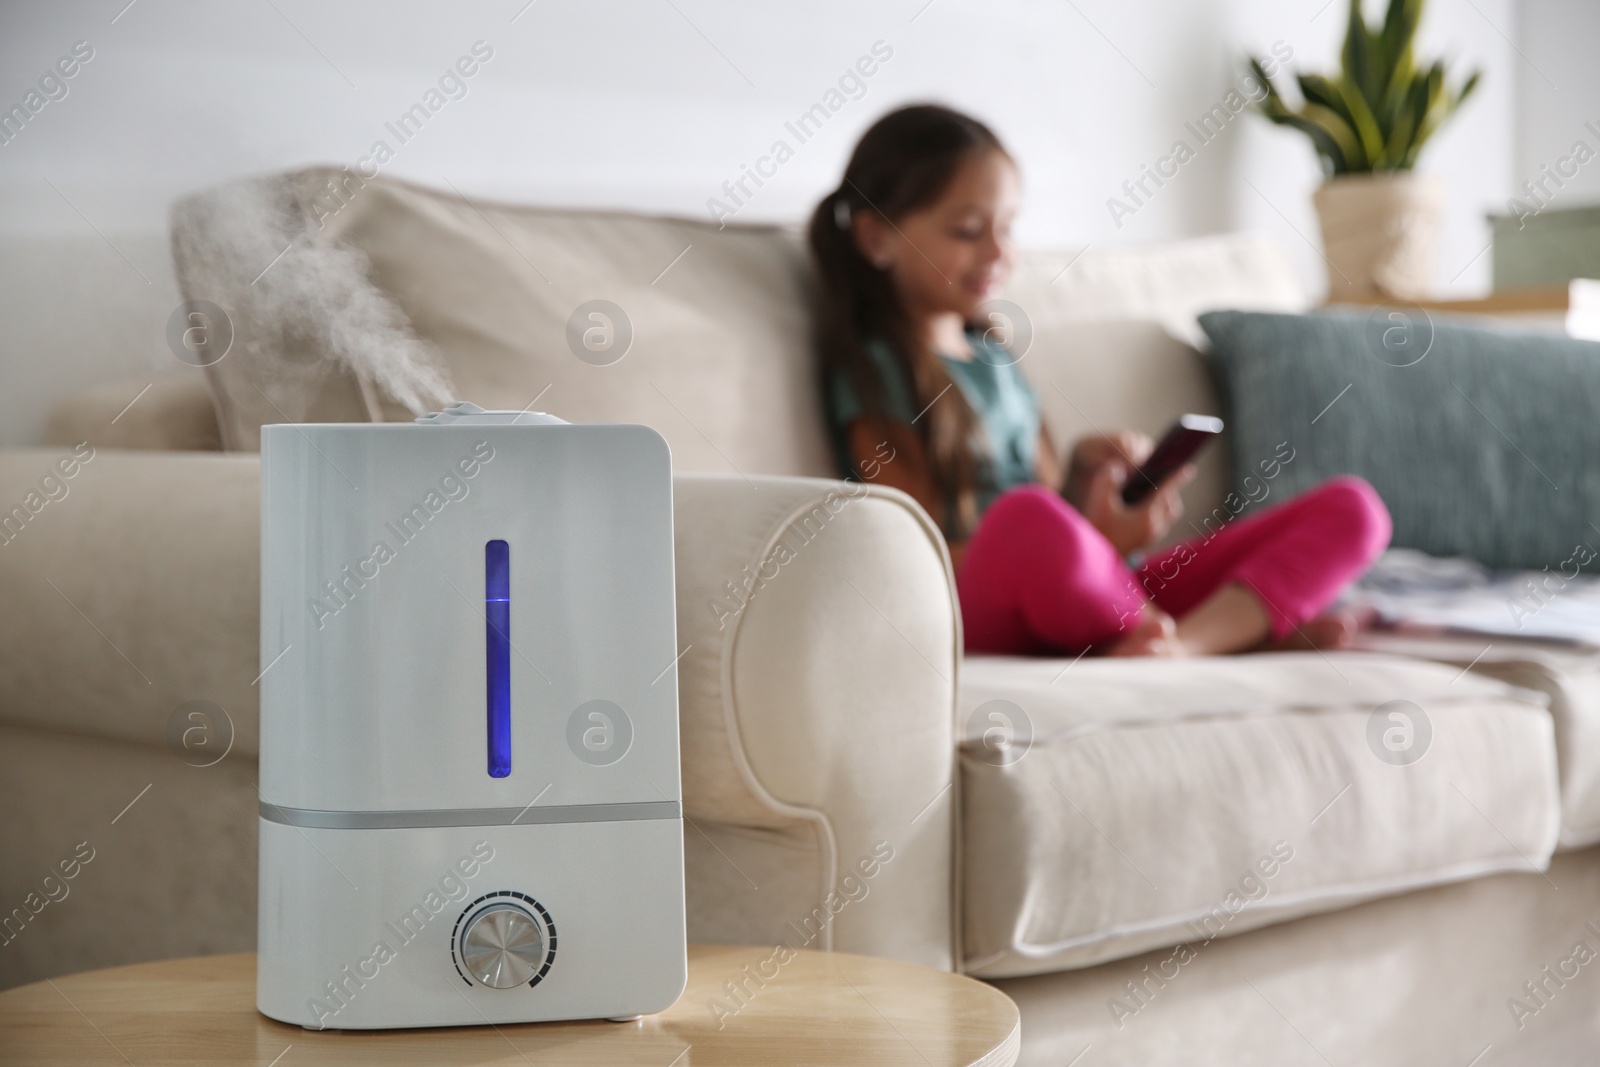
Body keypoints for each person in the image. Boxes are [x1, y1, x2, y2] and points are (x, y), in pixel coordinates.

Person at [807, 103, 1391, 657]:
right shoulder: (874, 369)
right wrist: (1091, 541)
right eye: (966, 230)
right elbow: (915, 554)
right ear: (874, 237)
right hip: (973, 602)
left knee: (1355, 509)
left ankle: (1184, 644)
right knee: (1028, 520)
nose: (997, 252)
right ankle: (1219, 637)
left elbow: (1061, 517)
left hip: (1095, 589)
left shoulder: (994, 356)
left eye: (1008, 228)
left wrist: (1090, 481)